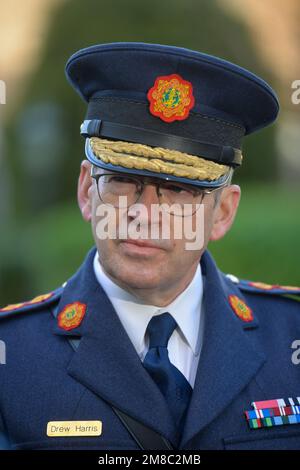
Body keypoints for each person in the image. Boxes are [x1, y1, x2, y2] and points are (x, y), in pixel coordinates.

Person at [0, 42, 300, 451]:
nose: (144, 214)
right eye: (122, 181)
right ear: (88, 191)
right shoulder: (10, 359)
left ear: (223, 213)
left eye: (178, 190)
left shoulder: (290, 337)